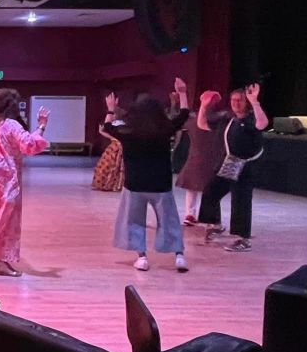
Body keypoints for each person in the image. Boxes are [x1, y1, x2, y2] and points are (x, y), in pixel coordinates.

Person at [103, 78, 190, 272]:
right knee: (170, 220)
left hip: (135, 184)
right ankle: (179, 257)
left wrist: (111, 109)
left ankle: (142, 258)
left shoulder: (128, 132)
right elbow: (183, 115)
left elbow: (107, 128)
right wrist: (182, 93)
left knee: (134, 221)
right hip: (161, 184)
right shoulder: (164, 130)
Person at [0, 89, 50, 276]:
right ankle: (2, 260)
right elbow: (29, 145)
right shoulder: (11, 125)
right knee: (7, 218)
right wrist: (41, 126)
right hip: (6, 177)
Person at [197, 83, 268, 252]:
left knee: (241, 200)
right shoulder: (227, 119)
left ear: (246, 103)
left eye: (240, 101)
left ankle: (242, 239)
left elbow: (262, 124)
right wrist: (204, 105)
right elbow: (202, 124)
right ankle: (214, 225)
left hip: (245, 165)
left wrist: (254, 101)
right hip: (230, 163)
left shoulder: (251, 119)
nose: (236, 103)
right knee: (211, 191)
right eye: (233, 100)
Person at [176, 92, 226, 224]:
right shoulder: (218, 120)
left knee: (199, 188)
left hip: (205, 157)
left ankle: (193, 215)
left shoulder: (213, 120)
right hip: (204, 157)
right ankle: (193, 215)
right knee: (199, 187)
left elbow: (181, 118)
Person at [91, 124, 125, 192]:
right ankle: (110, 184)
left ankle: (118, 184)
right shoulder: (112, 117)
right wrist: (102, 132)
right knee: (108, 165)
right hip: (115, 146)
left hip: (121, 146)